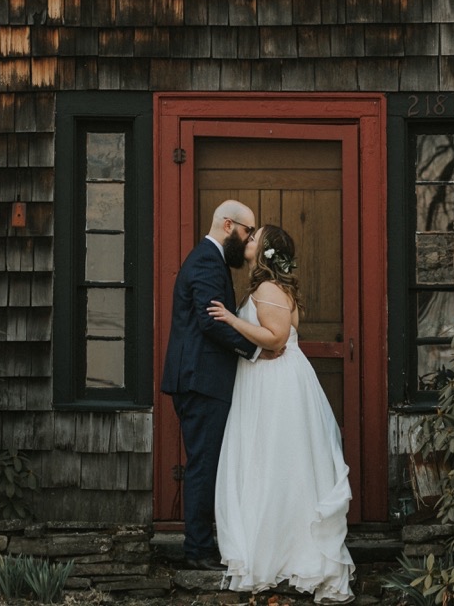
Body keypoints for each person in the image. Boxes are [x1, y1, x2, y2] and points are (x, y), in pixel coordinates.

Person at [207, 225, 355, 603]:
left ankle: (279, 550)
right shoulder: (271, 288)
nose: (248, 240)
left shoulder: (268, 289)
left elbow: (275, 338)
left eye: (254, 236)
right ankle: (273, 544)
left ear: (267, 250)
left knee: (274, 462)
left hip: (274, 382)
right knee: (274, 462)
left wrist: (231, 318)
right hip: (268, 377)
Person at [160, 199, 261, 571]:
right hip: (200, 382)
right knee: (204, 464)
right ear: (229, 224)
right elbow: (210, 322)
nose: (249, 238)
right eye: (248, 230)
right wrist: (256, 349)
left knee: (206, 463)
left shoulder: (211, 259)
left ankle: (201, 545)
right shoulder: (206, 260)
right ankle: (198, 550)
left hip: (202, 380)